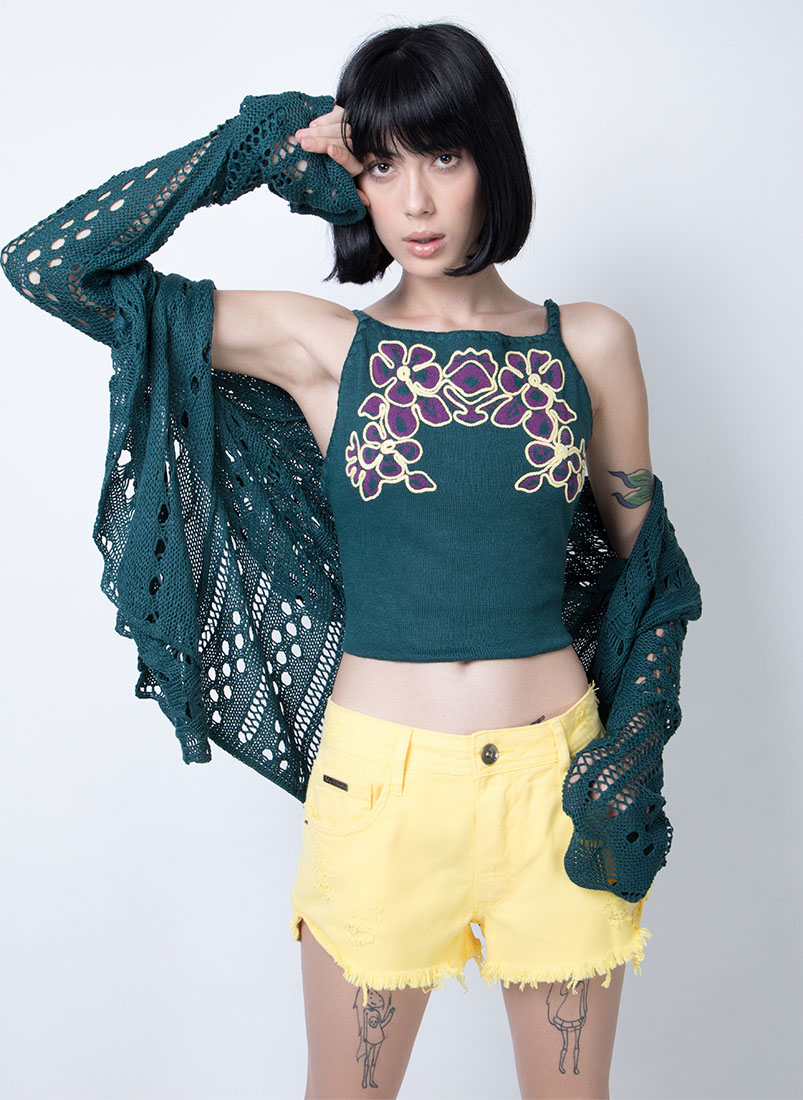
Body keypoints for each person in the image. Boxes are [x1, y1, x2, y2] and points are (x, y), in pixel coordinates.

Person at [1, 21, 702, 1100]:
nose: (413, 201)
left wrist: (635, 739)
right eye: (380, 165)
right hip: (380, 791)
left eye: (442, 157)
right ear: (352, 181)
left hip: (555, 783)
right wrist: (262, 146)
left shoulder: (590, 343)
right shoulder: (323, 348)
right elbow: (51, 266)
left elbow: (645, 570)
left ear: (492, 161)